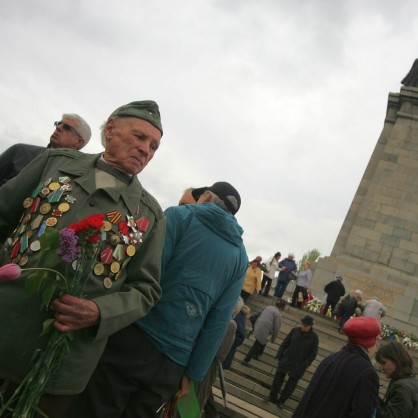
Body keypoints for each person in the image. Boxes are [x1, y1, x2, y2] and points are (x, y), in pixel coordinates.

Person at [0, 101, 165, 418]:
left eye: (154, 146)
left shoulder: (149, 215)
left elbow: (147, 289)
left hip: (58, 365)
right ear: (111, 128)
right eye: (140, 137)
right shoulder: (54, 163)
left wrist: (99, 311)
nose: (146, 150)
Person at [68, 181, 248, 418]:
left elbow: (144, 273)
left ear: (205, 196)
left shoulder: (180, 217)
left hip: (136, 336)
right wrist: (192, 374)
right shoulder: (240, 256)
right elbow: (219, 321)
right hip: (173, 364)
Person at [293, 317, 382, 418]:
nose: (376, 348)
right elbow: (361, 413)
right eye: (377, 343)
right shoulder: (367, 372)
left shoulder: (331, 359)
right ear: (370, 343)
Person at [0, 113, 91, 185]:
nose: (58, 127)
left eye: (67, 127)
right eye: (58, 123)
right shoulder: (19, 152)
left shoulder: (78, 178)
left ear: (79, 142)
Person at [266, 314, 318, 408]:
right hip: (286, 360)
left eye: (305, 325)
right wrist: (280, 354)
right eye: (302, 324)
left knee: (291, 385)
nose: (303, 326)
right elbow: (285, 343)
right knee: (277, 380)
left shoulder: (314, 338)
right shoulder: (295, 330)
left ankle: (281, 401)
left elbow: (313, 354)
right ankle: (272, 397)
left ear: (310, 326)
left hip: (299, 365)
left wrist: (305, 364)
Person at [375, 341, 418, 418]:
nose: (382, 368)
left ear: (396, 360)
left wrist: (371, 395)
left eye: (384, 363)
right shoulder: (411, 381)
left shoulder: (402, 387)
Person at [242, 299, 286, 366]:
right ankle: (246, 360)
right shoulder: (278, 314)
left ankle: (257, 354)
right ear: (282, 307)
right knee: (257, 344)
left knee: (263, 341)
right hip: (264, 329)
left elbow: (258, 314)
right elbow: (276, 328)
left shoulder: (268, 307)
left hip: (258, 324)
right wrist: (273, 339)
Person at [222, 304, 251, 370]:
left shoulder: (238, 316)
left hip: (226, 352)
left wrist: (226, 343)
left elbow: (241, 336)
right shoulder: (239, 316)